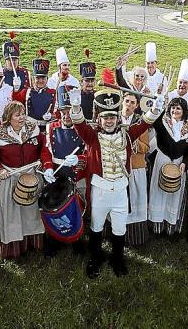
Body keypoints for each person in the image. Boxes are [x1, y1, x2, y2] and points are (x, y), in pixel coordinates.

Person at [69, 86, 163, 278]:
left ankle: (117, 258)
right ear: (99, 119)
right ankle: (95, 259)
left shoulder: (127, 134)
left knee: (119, 227)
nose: (109, 121)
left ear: (118, 118)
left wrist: (156, 108)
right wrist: (76, 107)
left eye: (112, 117)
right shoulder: (92, 136)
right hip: (100, 190)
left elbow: (144, 123)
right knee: (96, 226)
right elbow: (79, 126)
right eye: (106, 117)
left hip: (121, 190)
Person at [0, 101, 46, 259]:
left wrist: (44, 164)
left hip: (32, 175)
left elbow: (43, 148)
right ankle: (13, 248)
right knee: (11, 213)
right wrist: (0, 170)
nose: (22, 118)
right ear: (8, 117)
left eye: (23, 114)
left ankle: (33, 244)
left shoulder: (33, 129)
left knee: (32, 212)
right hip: (10, 176)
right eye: (17, 115)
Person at [39, 90, 87, 256]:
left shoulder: (84, 127)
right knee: (53, 207)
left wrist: (79, 158)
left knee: (77, 209)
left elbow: (90, 153)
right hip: (56, 176)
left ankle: (78, 240)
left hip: (75, 175)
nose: (66, 116)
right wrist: (48, 167)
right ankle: (54, 239)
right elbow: (46, 151)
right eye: (63, 112)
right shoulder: (51, 127)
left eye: (70, 111)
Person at [148, 97, 188, 236]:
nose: (175, 110)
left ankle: (170, 227)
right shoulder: (163, 123)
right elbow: (153, 120)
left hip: (178, 164)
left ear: (184, 111)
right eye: (173, 107)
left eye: (178, 108)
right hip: (162, 161)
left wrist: (185, 163)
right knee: (158, 191)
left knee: (174, 194)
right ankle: (156, 226)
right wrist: (158, 106)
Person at [120, 92, 150, 245]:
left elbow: (146, 148)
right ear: (122, 102)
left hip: (136, 167)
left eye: (133, 103)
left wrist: (135, 145)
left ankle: (135, 236)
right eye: (127, 101)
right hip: (118, 168)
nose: (129, 105)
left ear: (137, 106)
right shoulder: (114, 118)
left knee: (136, 198)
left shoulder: (141, 122)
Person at [12, 50, 56, 131]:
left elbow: (59, 113)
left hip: (46, 130)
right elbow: (15, 104)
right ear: (33, 78)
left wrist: (52, 116)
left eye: (43, 78)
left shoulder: (53, 93)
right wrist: (16, 89)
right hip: (29, 129)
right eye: (38, 78)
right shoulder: (26, 92)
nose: (40, 81)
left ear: (47, 78)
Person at [78, 50, 97, 121]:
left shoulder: (97, 95)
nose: (90, 83)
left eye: (92, 81)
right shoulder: (77, 96)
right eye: (87, 81)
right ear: (81, 82)